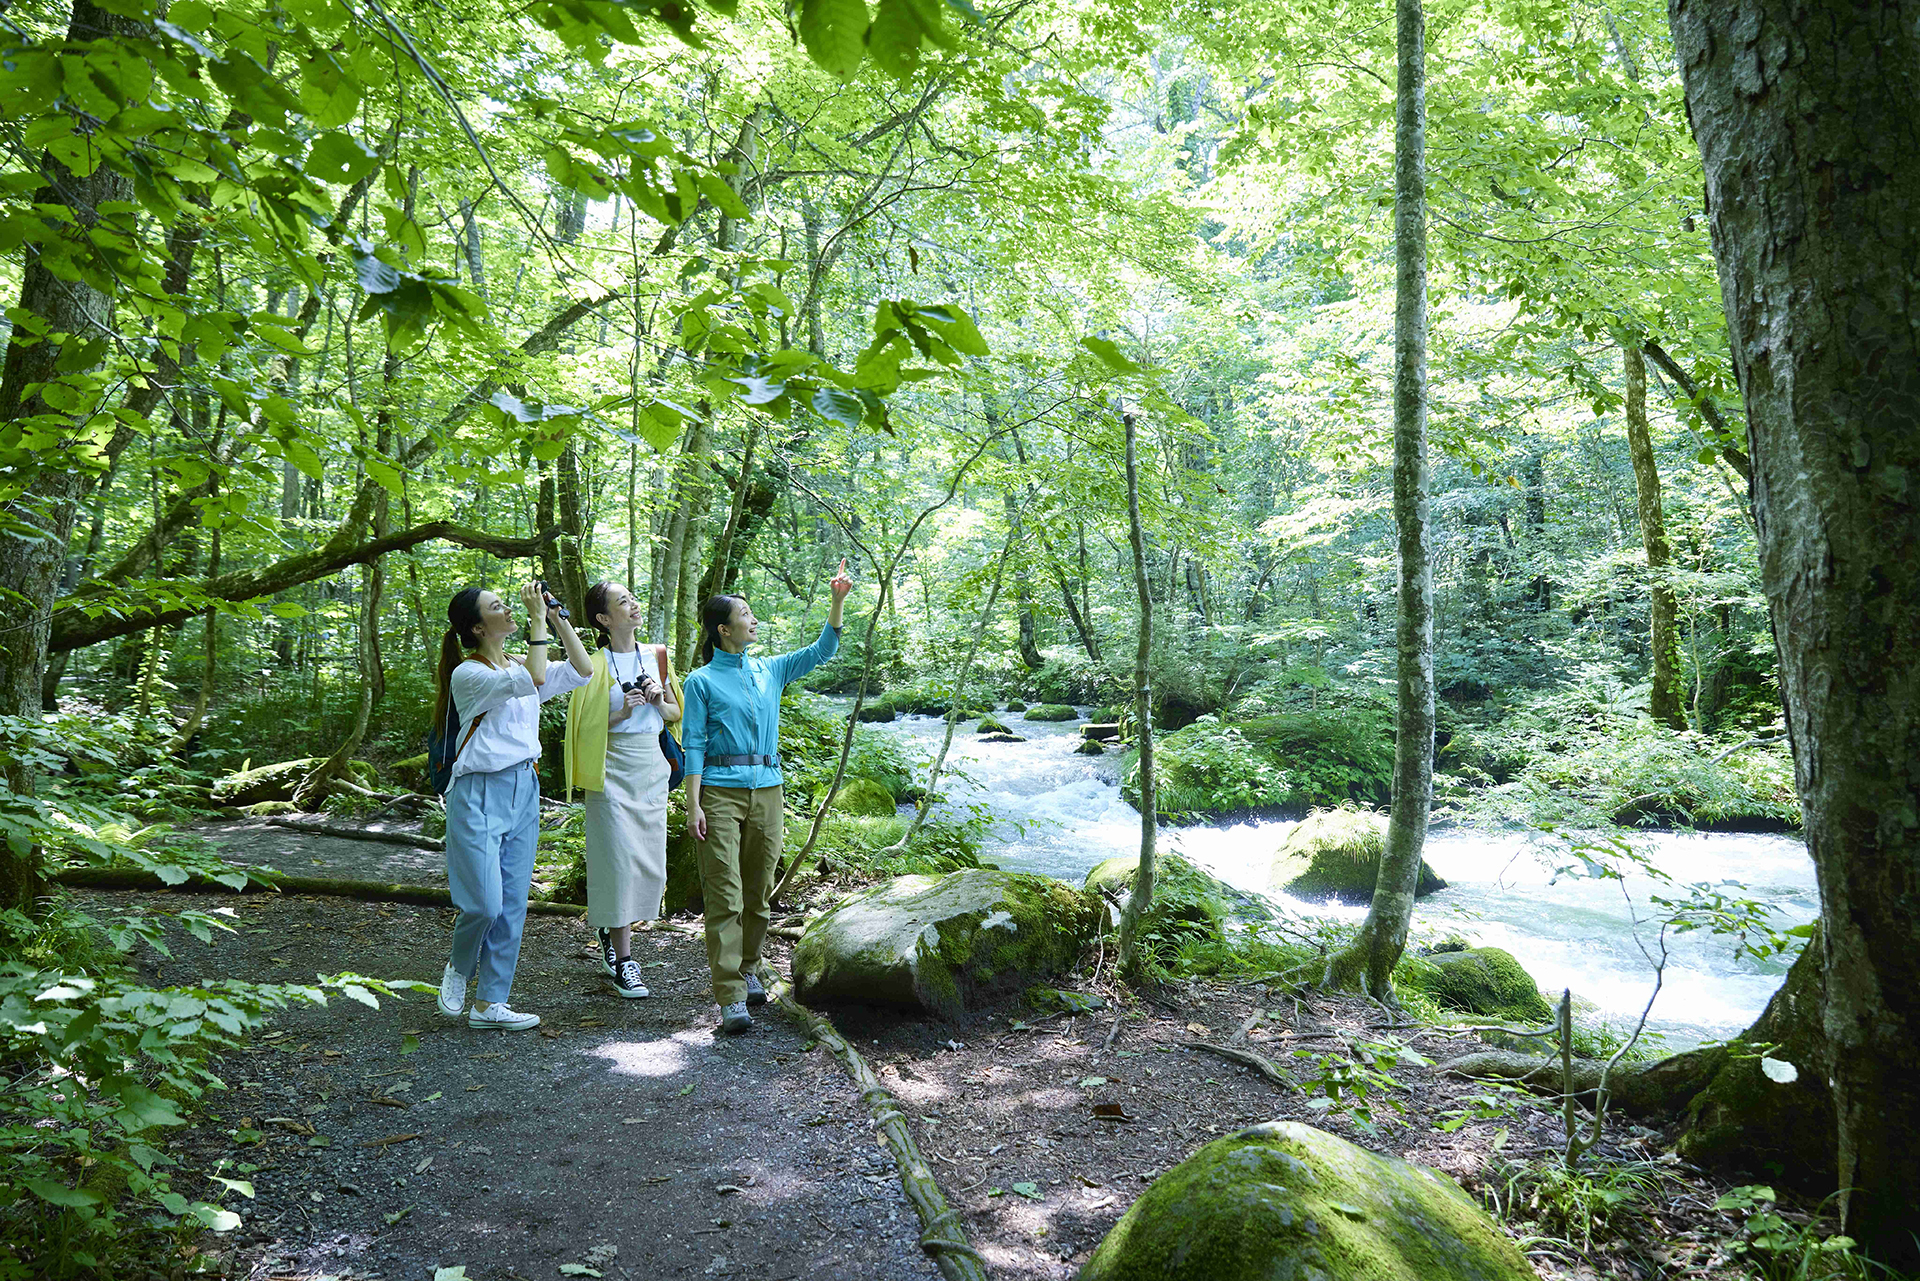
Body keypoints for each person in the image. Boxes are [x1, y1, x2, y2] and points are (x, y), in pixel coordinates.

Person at [683, 560, 854, 1034]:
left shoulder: (770, 669)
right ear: (723, 629)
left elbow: (824, 649)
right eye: (746, 613)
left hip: (769, 792)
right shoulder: (700, 681)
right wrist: (693, 802)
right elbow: (692, 743)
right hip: (718, 793)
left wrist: (837, 600)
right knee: (725, 895)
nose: (753, 619)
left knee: (759, 893)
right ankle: (731, 996)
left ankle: (751, 968)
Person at [433, 581, 593, 1030]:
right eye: (497, 607)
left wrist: (557, 618)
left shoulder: (522, 662)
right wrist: (539, 623)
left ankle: (490, 1004)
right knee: (484, 904)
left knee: (512, 904)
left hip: (525, 787)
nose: (510, 610)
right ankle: (460, 967)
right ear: (479, 628)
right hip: (478, 792)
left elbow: (583, 670)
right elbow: (537, 678)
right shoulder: (470, 674)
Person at [564, 581, 681, 998]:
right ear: (603, 619)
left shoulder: (657, 656)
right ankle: (625, 961)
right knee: (615, 859)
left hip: (650, 768)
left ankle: (612, 936)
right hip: (610, 767)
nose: (633, 605)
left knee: (647, 860)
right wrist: (619, 712)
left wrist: (654, 701)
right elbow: (579, 730)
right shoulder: (590, 664)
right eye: (622, 602)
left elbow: (673, 713)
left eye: (633, 599)